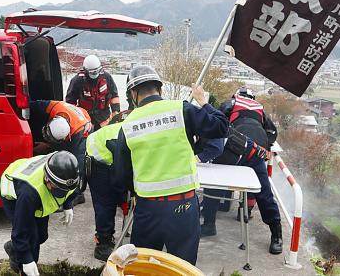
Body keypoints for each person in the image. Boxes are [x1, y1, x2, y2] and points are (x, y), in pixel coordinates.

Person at [113, 65, 229, 265]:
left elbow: (122, 175)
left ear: (133, 93)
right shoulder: (181, 110)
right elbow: (221, 127)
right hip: (183, 206)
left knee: (143, 266)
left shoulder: (128, 125)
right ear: (159, 88)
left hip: (148, 209)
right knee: (181, 267)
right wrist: (204, 102)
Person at [200, 86, 283, 255]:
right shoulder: (260, 109)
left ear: (236, 96)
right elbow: (272, 133)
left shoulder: (230, 103)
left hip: (233, 148)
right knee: (264, 192)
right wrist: (262, 144)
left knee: (215, 182)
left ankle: (209, 224)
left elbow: (217, 123)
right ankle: (277, 236)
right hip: (255, 151)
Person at [0, 151, 80, 276]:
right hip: (13, 191)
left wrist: (68, 205)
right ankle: (23, 269)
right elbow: (20, 231)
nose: (61, 195)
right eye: (57, 189)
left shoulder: (69, 175)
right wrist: (27, 261)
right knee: (31, 240)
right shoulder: (29, 194)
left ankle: (13, 248)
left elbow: (73, 191)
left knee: (42, 235)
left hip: (34, 190)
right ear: (47, 178)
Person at [85, 110, 131, 261]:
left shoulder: (130, 129)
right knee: (105, 203)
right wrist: (125, 195)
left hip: (106, 156)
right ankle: (103, 243)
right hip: (96, 162)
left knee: (118, 196)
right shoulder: (122, 138)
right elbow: (120, 174)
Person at [29, 100, 93, 205]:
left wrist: (47, 146)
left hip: (83, 130)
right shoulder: (54, 107)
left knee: (76, 164)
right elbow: (36, 105)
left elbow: (63, 150)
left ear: (65, 138)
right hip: (75, 115)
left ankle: (76, 195)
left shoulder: (75, 135)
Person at [66, 54, 121, 130]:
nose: (95, 74)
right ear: (85, 70)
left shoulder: (106, 77)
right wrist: (75, 119)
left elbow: (114, 95)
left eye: (97, 71)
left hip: (104, 118)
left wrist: (116, 111)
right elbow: (70, 102)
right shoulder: (77, 81)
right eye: (92, 72)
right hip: (85, 120)